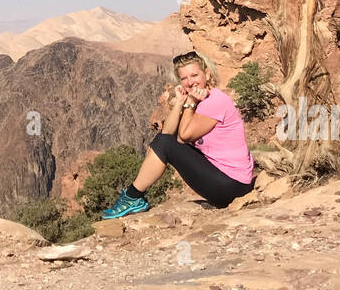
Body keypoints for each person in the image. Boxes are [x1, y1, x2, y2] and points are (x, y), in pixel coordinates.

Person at [102, 49, 255, 218]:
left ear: (207, 74)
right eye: (184, 78)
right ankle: (132, 197)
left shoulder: (215, 100)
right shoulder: (199, 100)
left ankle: (132, 197)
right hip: (225, 180)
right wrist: (179, 103)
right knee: (164, 141)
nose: (190, 82)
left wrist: (190, 103)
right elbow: (167, 133)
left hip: (232, 186)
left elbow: (183, 137)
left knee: (166, 144)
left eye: (194, 75)